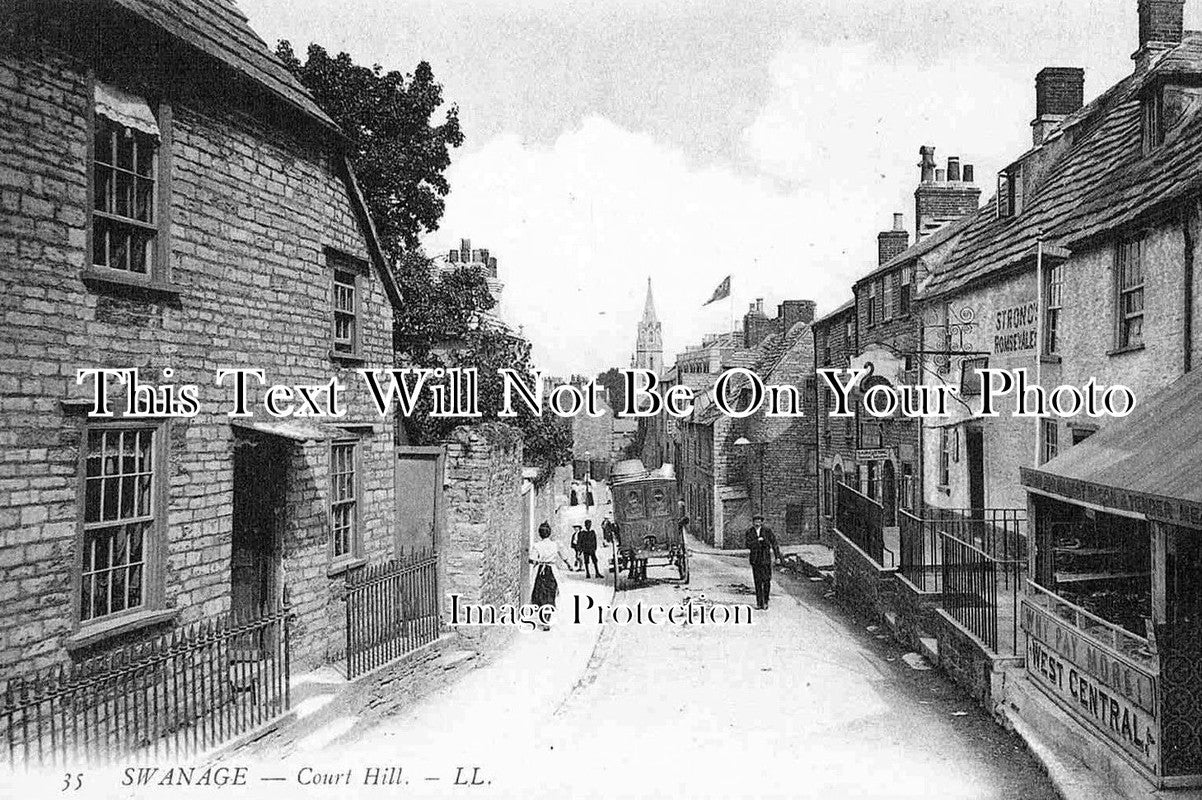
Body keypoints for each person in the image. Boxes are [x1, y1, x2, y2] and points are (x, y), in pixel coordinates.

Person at [529, 522, 573, 631]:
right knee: (550, 594)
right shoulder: (555, 545)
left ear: (540, 534)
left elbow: (532, 559)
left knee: (540, 594)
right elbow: (564, 556)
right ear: (549, 533)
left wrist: (536, 560)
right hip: (552, 571)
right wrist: (569, 565)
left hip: (541, 572)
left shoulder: (537, 545)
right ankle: (547, 620)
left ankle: (543, 618)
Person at [745, 513, 783, 610]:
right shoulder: (749, 532)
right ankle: (759, 603)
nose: (757, 523)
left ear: (762, 522)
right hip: (755, 560)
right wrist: (758, 541)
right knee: (757, 582)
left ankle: (765, 601)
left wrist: (777, 557)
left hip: (765, 560)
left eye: (759, 521)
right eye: (755, 521)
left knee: (766, 581)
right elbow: (748, 544)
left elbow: (774, 543)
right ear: (753, 522)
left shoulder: (767, 531)